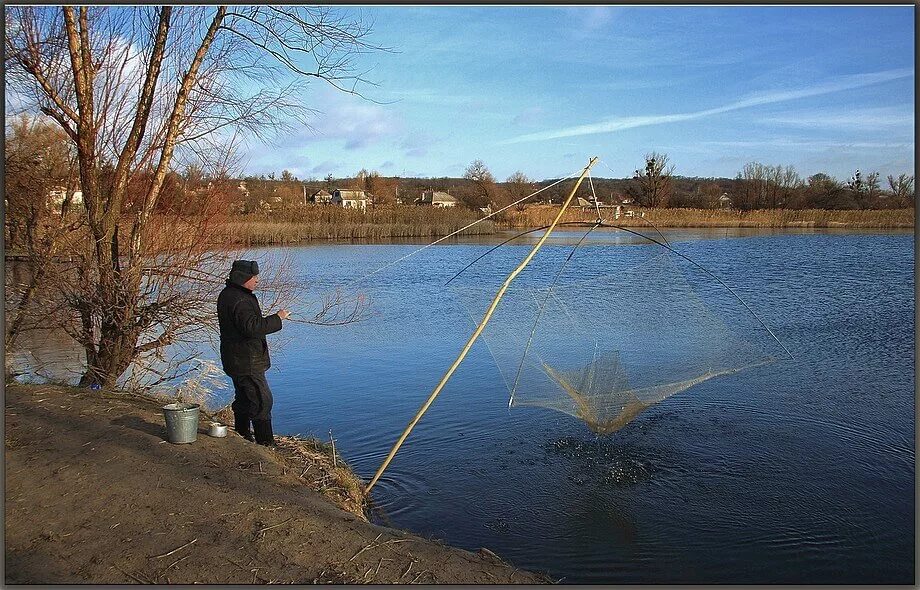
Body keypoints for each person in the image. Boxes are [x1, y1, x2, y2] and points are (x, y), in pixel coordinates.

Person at [216, 260, 290, 446]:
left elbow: (247, 325)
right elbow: (252, 328)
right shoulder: (239, 299)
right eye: (254, 277)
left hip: (236, 358)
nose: (257, 280)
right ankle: (265, 444)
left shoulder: (230, 294)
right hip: (246, 361)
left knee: (244, 398)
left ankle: (243, 435)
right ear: (243, 278)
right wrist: (278, 318)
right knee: (262, 400)